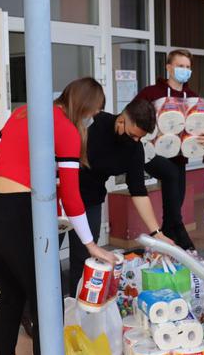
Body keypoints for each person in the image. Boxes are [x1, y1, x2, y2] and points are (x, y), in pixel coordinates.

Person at [0, 77, 117, 355]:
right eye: (93, 114)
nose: (93, 120)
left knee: (11, 295)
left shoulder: (24, 112)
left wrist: (21, 179)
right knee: (47, 303)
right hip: (18, 218)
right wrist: (90, 244)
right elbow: (71, 196)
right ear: (83, 108)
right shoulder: (66, 130)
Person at [68, 97, 174, 294]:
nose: (135, 141)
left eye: (140, 138)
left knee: (82, 260)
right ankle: (40, 316)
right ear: (121, 120)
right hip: (59, 196)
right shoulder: (96, 124)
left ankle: (75, 313)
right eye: (133, 135)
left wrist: (156, 233)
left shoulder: (134, 150)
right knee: (43, 258)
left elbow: (138, 191)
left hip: (89, 202)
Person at [135, 49, 204, 250]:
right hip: (152, 154)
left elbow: (201, 127)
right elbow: (132, 116)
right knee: (171, 183)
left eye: (187, 67)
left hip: (179, 157)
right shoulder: (151, 93)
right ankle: (182, 238)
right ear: (169, 67)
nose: (184, 70)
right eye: (180, 66)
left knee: (175, 201)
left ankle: (167, 245)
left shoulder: (193, 98)